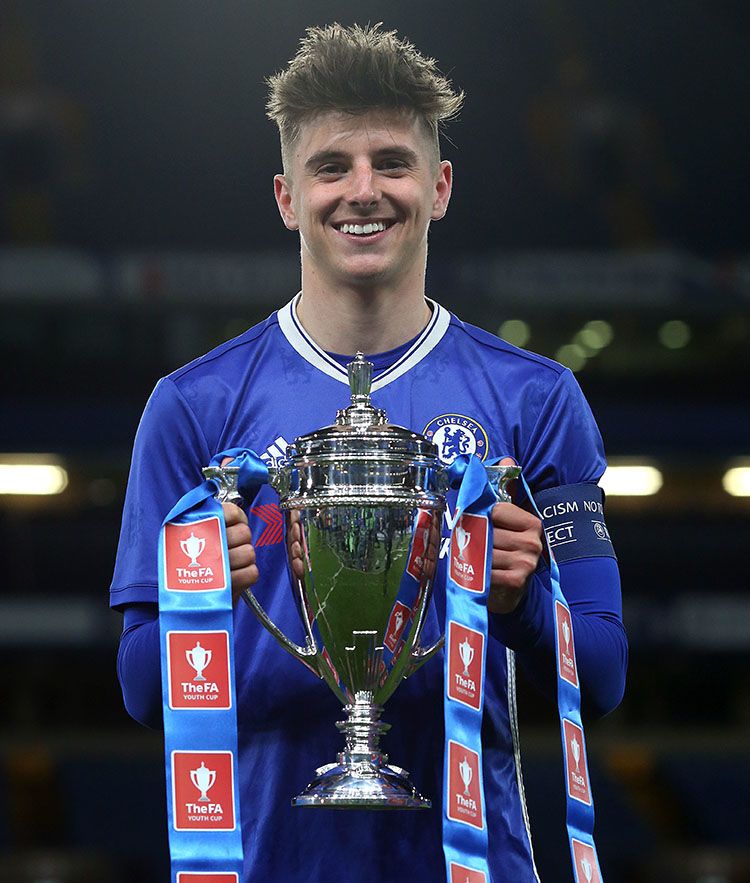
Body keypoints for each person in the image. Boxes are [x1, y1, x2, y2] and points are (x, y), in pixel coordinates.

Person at [112, 23, 627, 882]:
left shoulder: (537, 400)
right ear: (286, 196)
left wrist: (528, 603)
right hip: (266, 863)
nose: (364, 191)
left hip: (469, 862)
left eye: (392, 162)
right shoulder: (191, 407)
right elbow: (138, 690)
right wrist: (195, 595)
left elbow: (604, 673)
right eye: (331, 166)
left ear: (440, 186)